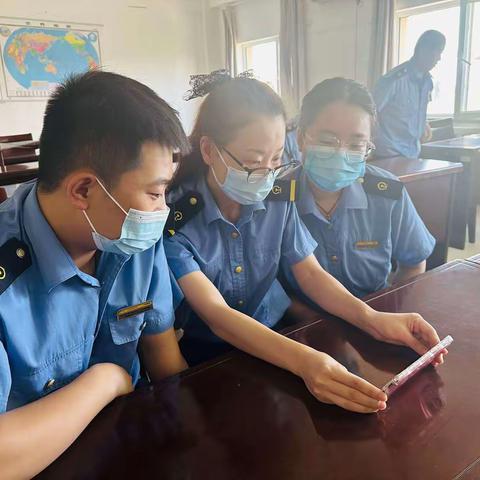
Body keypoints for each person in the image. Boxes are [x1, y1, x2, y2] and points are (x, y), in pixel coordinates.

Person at [164, 71, 445, 416]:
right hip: (210, 357)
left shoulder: (279, 198)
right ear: (209, 150)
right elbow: (218, 315)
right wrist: (307, 362)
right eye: (253, 163)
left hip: (279, 341)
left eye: (276, 160)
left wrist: (373, 319)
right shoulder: (176, 217)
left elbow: (309, 273)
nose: (267, 174)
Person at [0, 70, 189, 478]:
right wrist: (105, 380)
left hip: (133, 449)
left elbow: (163, 358)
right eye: (155, 193)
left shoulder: (133, 237)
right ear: (84, 190)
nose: (163, 210)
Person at [283, 77, 435, 299]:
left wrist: (385, 312)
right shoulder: (276, 198)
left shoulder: (387, 192)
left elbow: (413, 263)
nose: (341, 154)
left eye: (356, 145)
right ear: (300, 139)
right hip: (304, 327)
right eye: (327, 141)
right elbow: (271, 288)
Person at [373, 30, 446, 159]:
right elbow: (370, 113)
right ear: (423, 50)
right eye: (438, 51)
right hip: (388, 154)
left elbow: (415, 110)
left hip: (412, 153)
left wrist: (423, 124)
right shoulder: (394, 79)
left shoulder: (427, 82)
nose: (439, 58)